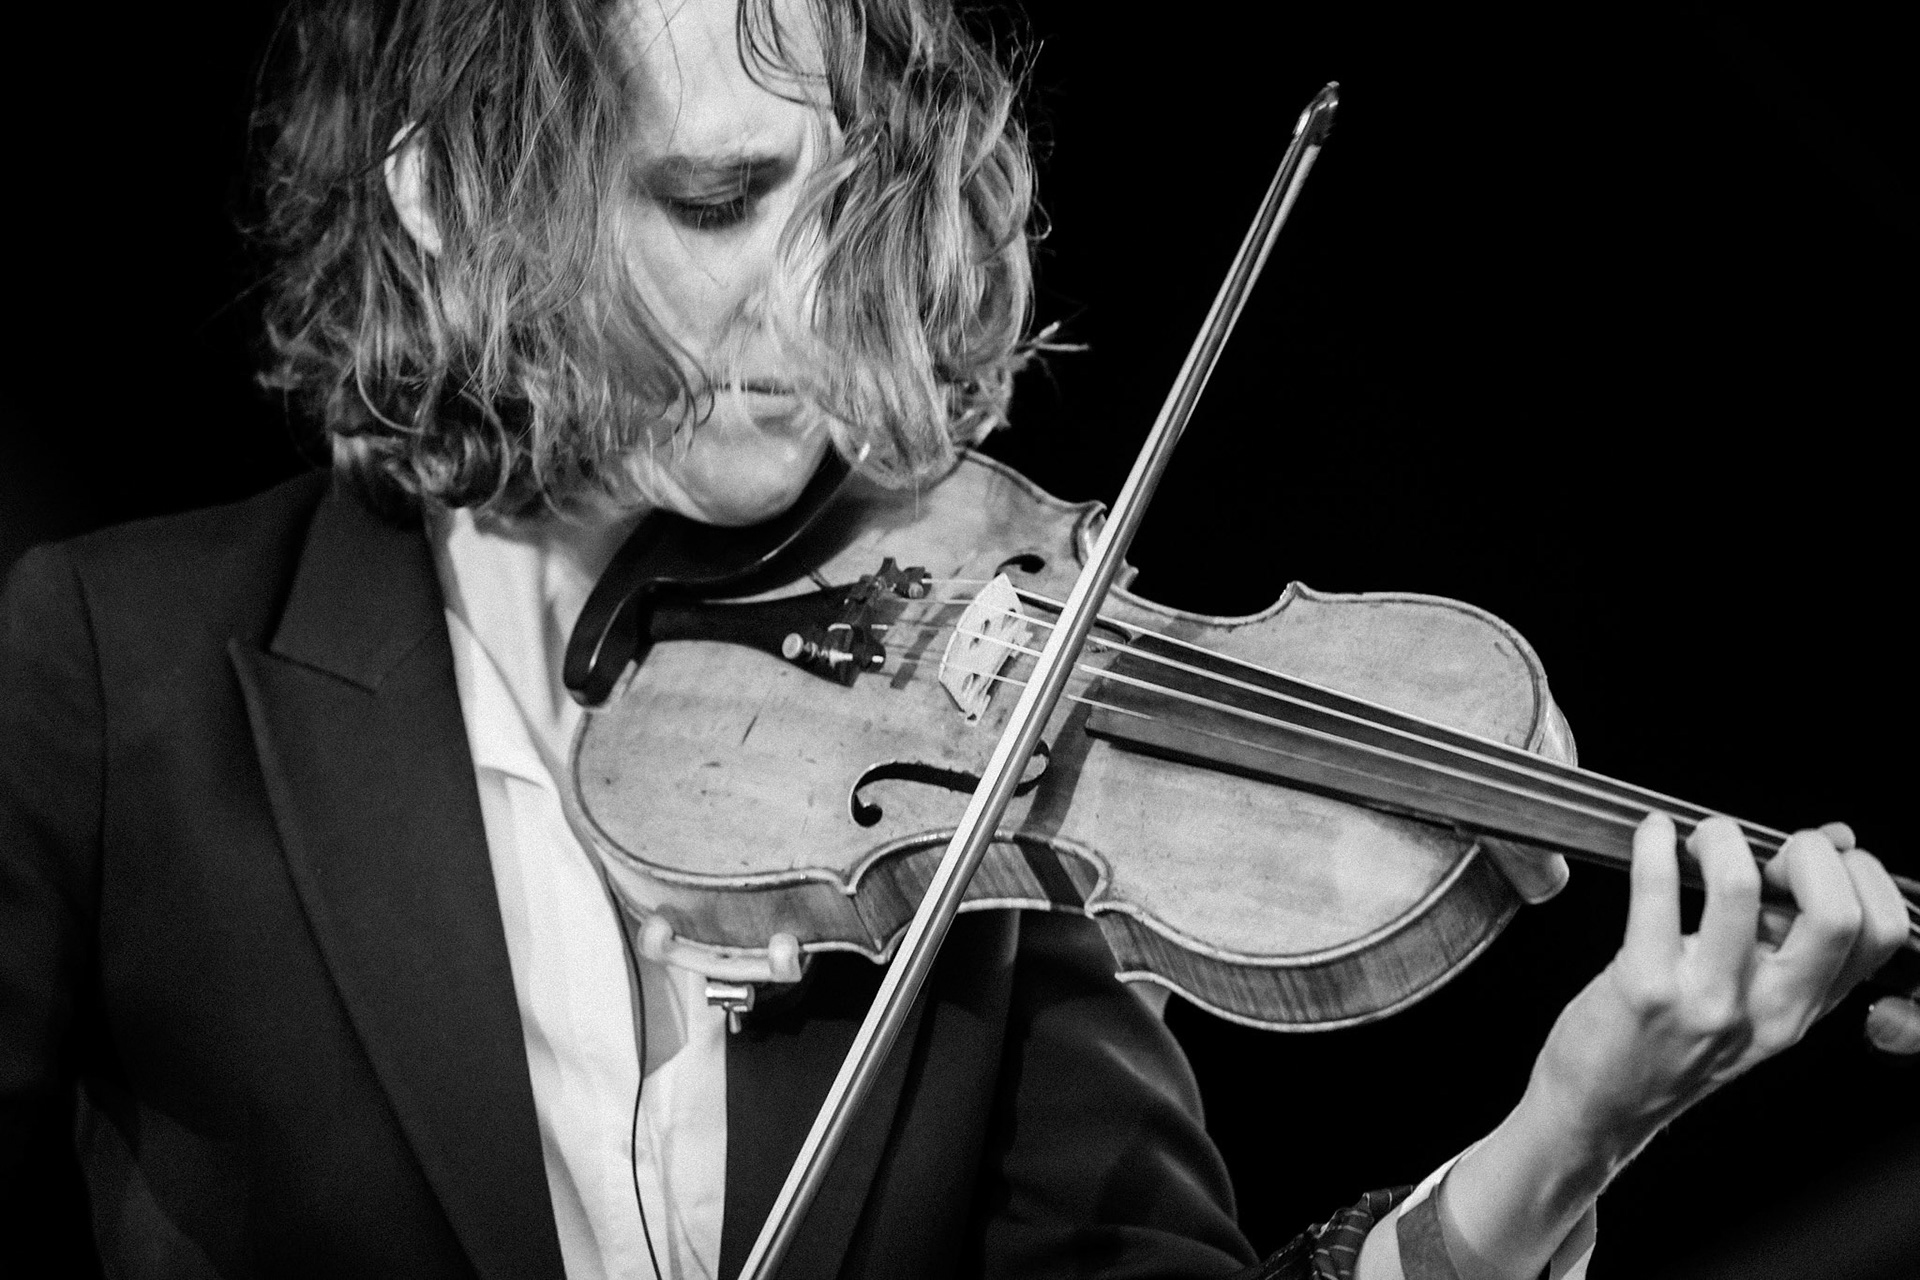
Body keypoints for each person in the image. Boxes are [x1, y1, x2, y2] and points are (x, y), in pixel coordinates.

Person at [1, 1, 1909, 1277]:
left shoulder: (985, 740)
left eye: (846, 203)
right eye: (721, 198)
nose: (815, 290)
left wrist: (1560, 1146)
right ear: (440, 198)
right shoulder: (120, 674)